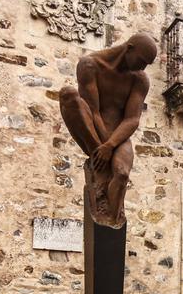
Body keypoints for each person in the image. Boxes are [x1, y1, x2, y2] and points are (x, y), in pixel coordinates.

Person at [58, 33, 157, 229]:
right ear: (129, 49)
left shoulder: (139, 80)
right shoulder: (90, 65)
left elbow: (132, 119)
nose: (143, 68)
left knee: (121, 173)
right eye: (142, 61)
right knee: (69, 95)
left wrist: (111, 146)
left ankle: (112, 217)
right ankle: (99, 173)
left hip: (119, 136)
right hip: (92, 130)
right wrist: (103, 148)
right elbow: (93, 111)